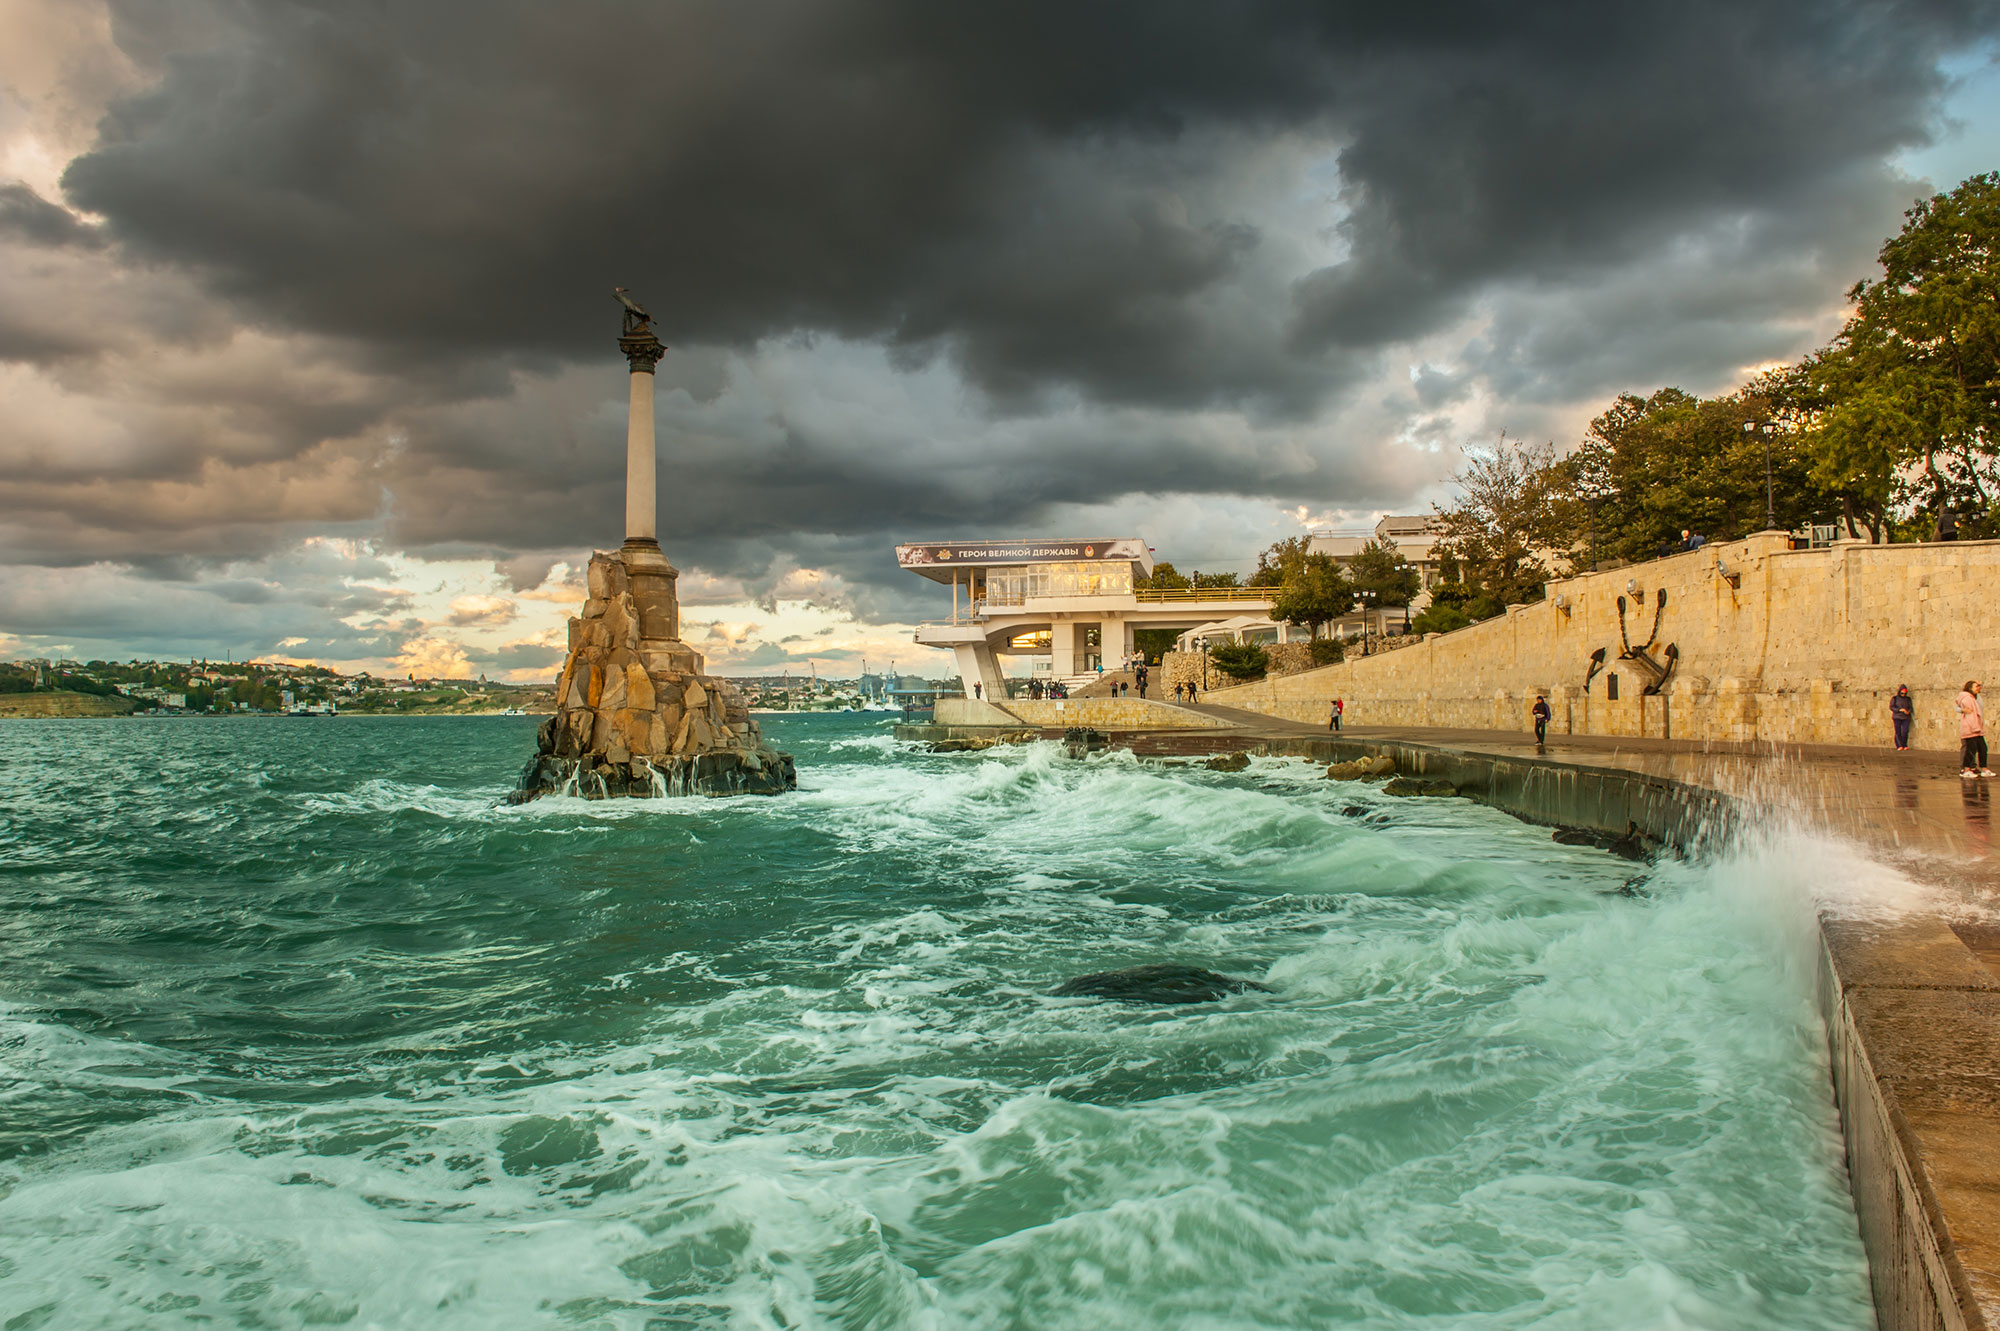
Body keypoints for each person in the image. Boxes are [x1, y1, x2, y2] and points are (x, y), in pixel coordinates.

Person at [1959, 680, 1992, 777]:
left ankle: (1984, 769)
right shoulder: (1967, 699)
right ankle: (1966, 770)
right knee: (1971, 750)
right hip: (1971, 729)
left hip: (1977, 729)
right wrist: (1975, 728)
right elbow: (1970, 715)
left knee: (1982, 748)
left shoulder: (1974, 698)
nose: (1978, 688)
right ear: (1970, 688)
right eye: (1976, 686)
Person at [1890, 685, 1914, 751]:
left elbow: (1910, 707)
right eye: (1902, 693)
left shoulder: (1908, 699)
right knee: (1898, 731)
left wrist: (1908, 712)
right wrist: (1899, 710)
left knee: (1905, 731)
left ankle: (1904, 744)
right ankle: (1899, 745)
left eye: (1904, 693)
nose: (1903, 694)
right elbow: (1891, 707)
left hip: (1905, 717)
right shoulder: (1895, 698)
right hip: (1897, 717)